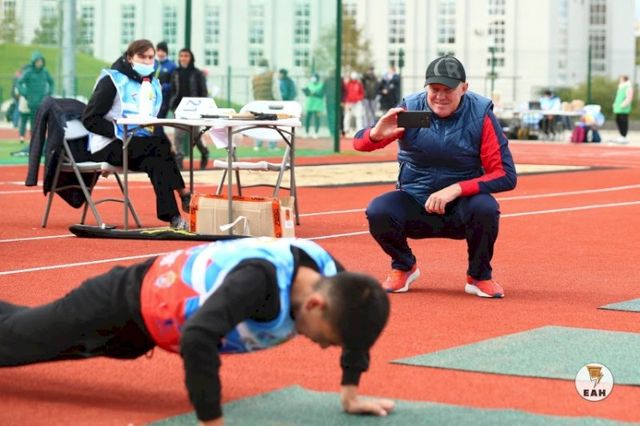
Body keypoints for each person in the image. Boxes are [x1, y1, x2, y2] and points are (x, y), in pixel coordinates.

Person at [0, 237, 394, 425]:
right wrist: (211, 421)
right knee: (12, 343)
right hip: (112, 306)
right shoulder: (258, 281)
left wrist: (350, 394)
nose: (323, 346)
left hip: (139, 332)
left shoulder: (334, 278)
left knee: (18, 331)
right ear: (315, 305)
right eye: (326, 338)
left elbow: (360, 317)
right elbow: (198, 336)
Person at [353, 55, 517, 298]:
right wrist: (375, 135)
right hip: (416, 201)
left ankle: (479, 275)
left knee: (486, 208)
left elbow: (505, 174)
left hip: (462, 208)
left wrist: (455, 189)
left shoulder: (480, 115)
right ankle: (404, 266)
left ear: (464, 88)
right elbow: (359, 143)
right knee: (378, 210)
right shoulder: (414, 112)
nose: (440, 96)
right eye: (434, 89)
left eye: (448, 89)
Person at [82, 39, 191, 230]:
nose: (147, 61)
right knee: (160, 146)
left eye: (151, 57)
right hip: (107, 145)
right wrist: (119, 132)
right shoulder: (112, 81)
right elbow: (90, 119)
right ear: (130, 57)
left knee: (157, 160)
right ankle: (184, 193)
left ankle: (174, 217)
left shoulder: (152, 84)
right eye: (142, 56)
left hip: (138, 146)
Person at [168, 47, 210, 170]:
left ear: (191, 58)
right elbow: (173, 90)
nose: (183, 58)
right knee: (178, 134)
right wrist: (173, 105)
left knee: (195, 135)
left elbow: (203, 91)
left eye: (186, 56)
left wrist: (201, 106)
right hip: (179, 109)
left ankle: (204, 152)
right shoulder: (175, 73)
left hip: (194, 109)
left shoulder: (197, 73)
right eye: (181, 56)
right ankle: (179, 158)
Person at [16, 51, 55, 147]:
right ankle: (34, 142)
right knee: (34, 123)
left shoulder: (45, 72)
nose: (39, 63)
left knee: (43, 122)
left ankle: (41, 141)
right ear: (33, 62)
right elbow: (19, 83)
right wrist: (25, 93)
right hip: (32, 102)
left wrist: (49, 93)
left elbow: (51, 82)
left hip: (43, 102)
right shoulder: (28, 72)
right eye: (37, 61)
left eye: (41, 61)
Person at [251, 58, 278, 150]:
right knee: (272, 124)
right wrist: (279, 101)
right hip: (270, 102)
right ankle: (272, 146)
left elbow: (252, 90)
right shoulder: (272, 75)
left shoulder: (254, 76)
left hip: (257, 102)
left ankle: (257, 145)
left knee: (259, 124)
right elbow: (275, 90)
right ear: (267, 65)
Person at [154, 41, 178, 119]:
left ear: (166, 52)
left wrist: (163, 87)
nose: (160, 53)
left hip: (164, 98)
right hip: (152, 96)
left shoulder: (172, 65)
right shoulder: (153, 63)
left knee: (159, 119)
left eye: (163, 51)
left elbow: (175, 84)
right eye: (158, 50)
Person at [612, 74, 634, 144]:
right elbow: (618, 97)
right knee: (618, 120)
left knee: (623, 122)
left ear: (624, 79)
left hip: (624, 108)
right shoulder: (620, 87)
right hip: (618, 108)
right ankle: (621, 135)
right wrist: (615, 104)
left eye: (621, 79)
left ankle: (624, 136)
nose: (620, 80)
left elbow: (629, 97)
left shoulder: (628, 87)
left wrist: (624, 104)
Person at [343, 71, 365, 136]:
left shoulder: (358, 84)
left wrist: (359, 98)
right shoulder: (347, 84)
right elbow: (344, 92)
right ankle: (346, 129)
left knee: (359, 116)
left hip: (357, 103)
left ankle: (360, 130)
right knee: (347, 116)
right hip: (349, 103)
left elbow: (362, 93)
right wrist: (346, 101)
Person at [302, 73, 325, 138]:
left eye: (314, 78)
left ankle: (316, 133)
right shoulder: (309, 84)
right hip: (309, 104)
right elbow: (307, 93)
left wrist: (314, 93)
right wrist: (306, 92)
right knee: (307, 119)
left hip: (318, 105)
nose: (313, 79)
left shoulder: (321, 85)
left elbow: (321, 94)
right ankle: (306, 132)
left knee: (317, 119)